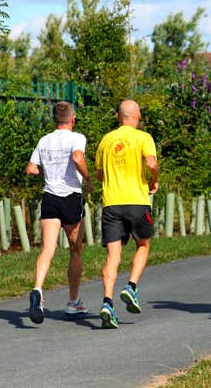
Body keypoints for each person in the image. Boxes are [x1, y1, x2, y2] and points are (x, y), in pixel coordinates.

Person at [25, 101, 93, 324]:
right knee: (75, 250)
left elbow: (31, 169)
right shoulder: (77, 138)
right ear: (72, 119)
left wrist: (48, 171)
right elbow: (77, 157)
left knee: (47, 248)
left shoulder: (44, 140)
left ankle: (38, 290)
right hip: (71, 196)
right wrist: (88, 180)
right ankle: (73, 302)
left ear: (55, 120)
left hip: (50, 198)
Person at [94, 99, 159, 329]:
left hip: (111, 204)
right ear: (137, 117)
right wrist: (154, 179)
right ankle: (131, 286)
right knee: (143, 244)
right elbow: (151, 162)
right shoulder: (143, 138)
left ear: (118, 117)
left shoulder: (106, 140)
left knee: (113, 256)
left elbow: (100, 175)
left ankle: (107, 302)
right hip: (137, 203)